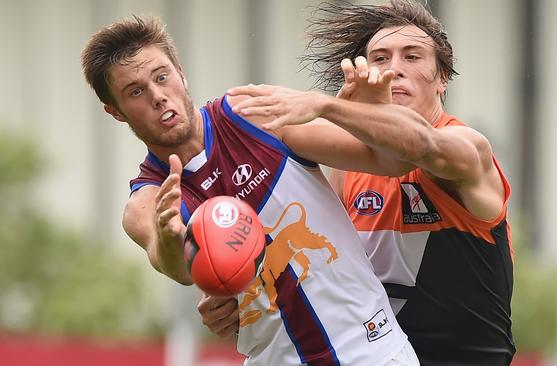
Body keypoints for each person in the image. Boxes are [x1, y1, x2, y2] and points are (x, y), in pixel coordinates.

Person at [80, 15, 420, 366]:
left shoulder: (252, 116)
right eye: (135, 91)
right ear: (115, 112)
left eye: (162, 77)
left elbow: (393, 163)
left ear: (181, 73)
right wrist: (169, 237)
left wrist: (361, 110)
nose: (157, 96)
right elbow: (180, 269)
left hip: (375, 352)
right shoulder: (148, 202)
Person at [225, 1, 516, 365]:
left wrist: (327, 107)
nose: (394, 69)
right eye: (380, 58)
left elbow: (420, 145)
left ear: (443, 79)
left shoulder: (465, 145)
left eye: (412, 57)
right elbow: (322, 269)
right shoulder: (348, 168)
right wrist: (237, 298)